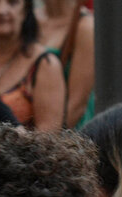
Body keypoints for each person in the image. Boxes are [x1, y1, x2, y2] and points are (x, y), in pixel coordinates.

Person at [0, 0, 65, 129]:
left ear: (25, 10)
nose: (1, 10)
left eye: (12, 2)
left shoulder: (45, 64)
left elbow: (49, 138)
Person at [36, 0, 95, 128]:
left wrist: (48, 144)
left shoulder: (85, 26)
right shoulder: (29, 18)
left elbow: (76, 106)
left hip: (66, 133)